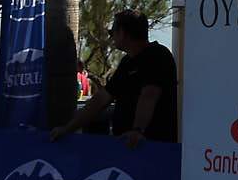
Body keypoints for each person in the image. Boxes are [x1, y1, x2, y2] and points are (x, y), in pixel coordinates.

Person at [50, 10, 177, 148]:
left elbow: (149, 95)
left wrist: (137, 130)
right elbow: (101, 99)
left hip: (152, 147)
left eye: (112, 32)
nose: (112, 38)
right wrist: (68, 129)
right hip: (125, 146)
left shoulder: (158, 55)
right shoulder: (127, 62)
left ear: (122, 32)